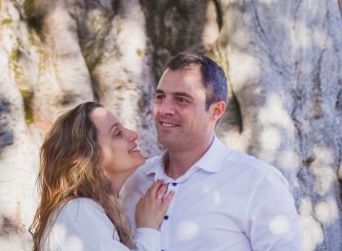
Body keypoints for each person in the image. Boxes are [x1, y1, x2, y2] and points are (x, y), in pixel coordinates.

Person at [122, 52, 302, 251]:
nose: (164, 109)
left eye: (181, 100)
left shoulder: (259, 182)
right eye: (160, 97)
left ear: (216, 111)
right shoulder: (134, 180)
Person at [30, 102, 174, 251]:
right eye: (117, 133)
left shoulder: (88, 210)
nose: (133, 134)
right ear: (88, 157)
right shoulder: (78, 212)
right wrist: (147, 229)